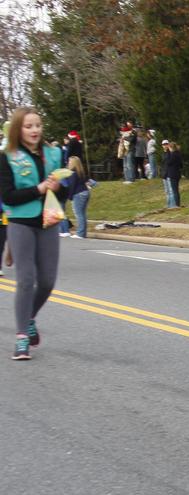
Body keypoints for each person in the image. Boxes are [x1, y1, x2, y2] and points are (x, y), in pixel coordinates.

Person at [0, 107, 68, 360]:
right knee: (26, 279)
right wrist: (38, 189)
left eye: (38, 125)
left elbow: (63, 195)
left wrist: (59, 187)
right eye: (28, 126)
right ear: (19, 129)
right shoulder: (8, 156)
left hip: (48, 221)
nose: (35, 130)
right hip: (21, 221)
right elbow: (8, 196)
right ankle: (21, 338)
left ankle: (29, 318)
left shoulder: (52, 154)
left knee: (48, 281)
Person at [61, 156, 92, 239]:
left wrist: (70, 197)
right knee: (82, 214)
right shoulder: (80, 172)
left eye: (70, 162)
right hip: (85, 192)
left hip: (78, 194)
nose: (68, 163)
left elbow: (72, 186)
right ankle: (82, 232)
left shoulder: (72, 173)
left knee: (79, 214)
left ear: (73, 163)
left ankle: (80, 233)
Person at [163, 140, 182, 207]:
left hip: (172, 174)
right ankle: (177, 203)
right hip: (178, 173)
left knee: (174, 190)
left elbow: (168, 162)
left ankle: (176, 204)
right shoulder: (178, 154)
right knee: (176, 190)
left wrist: (168, 152)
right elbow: (181, 165)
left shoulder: (173, 154)